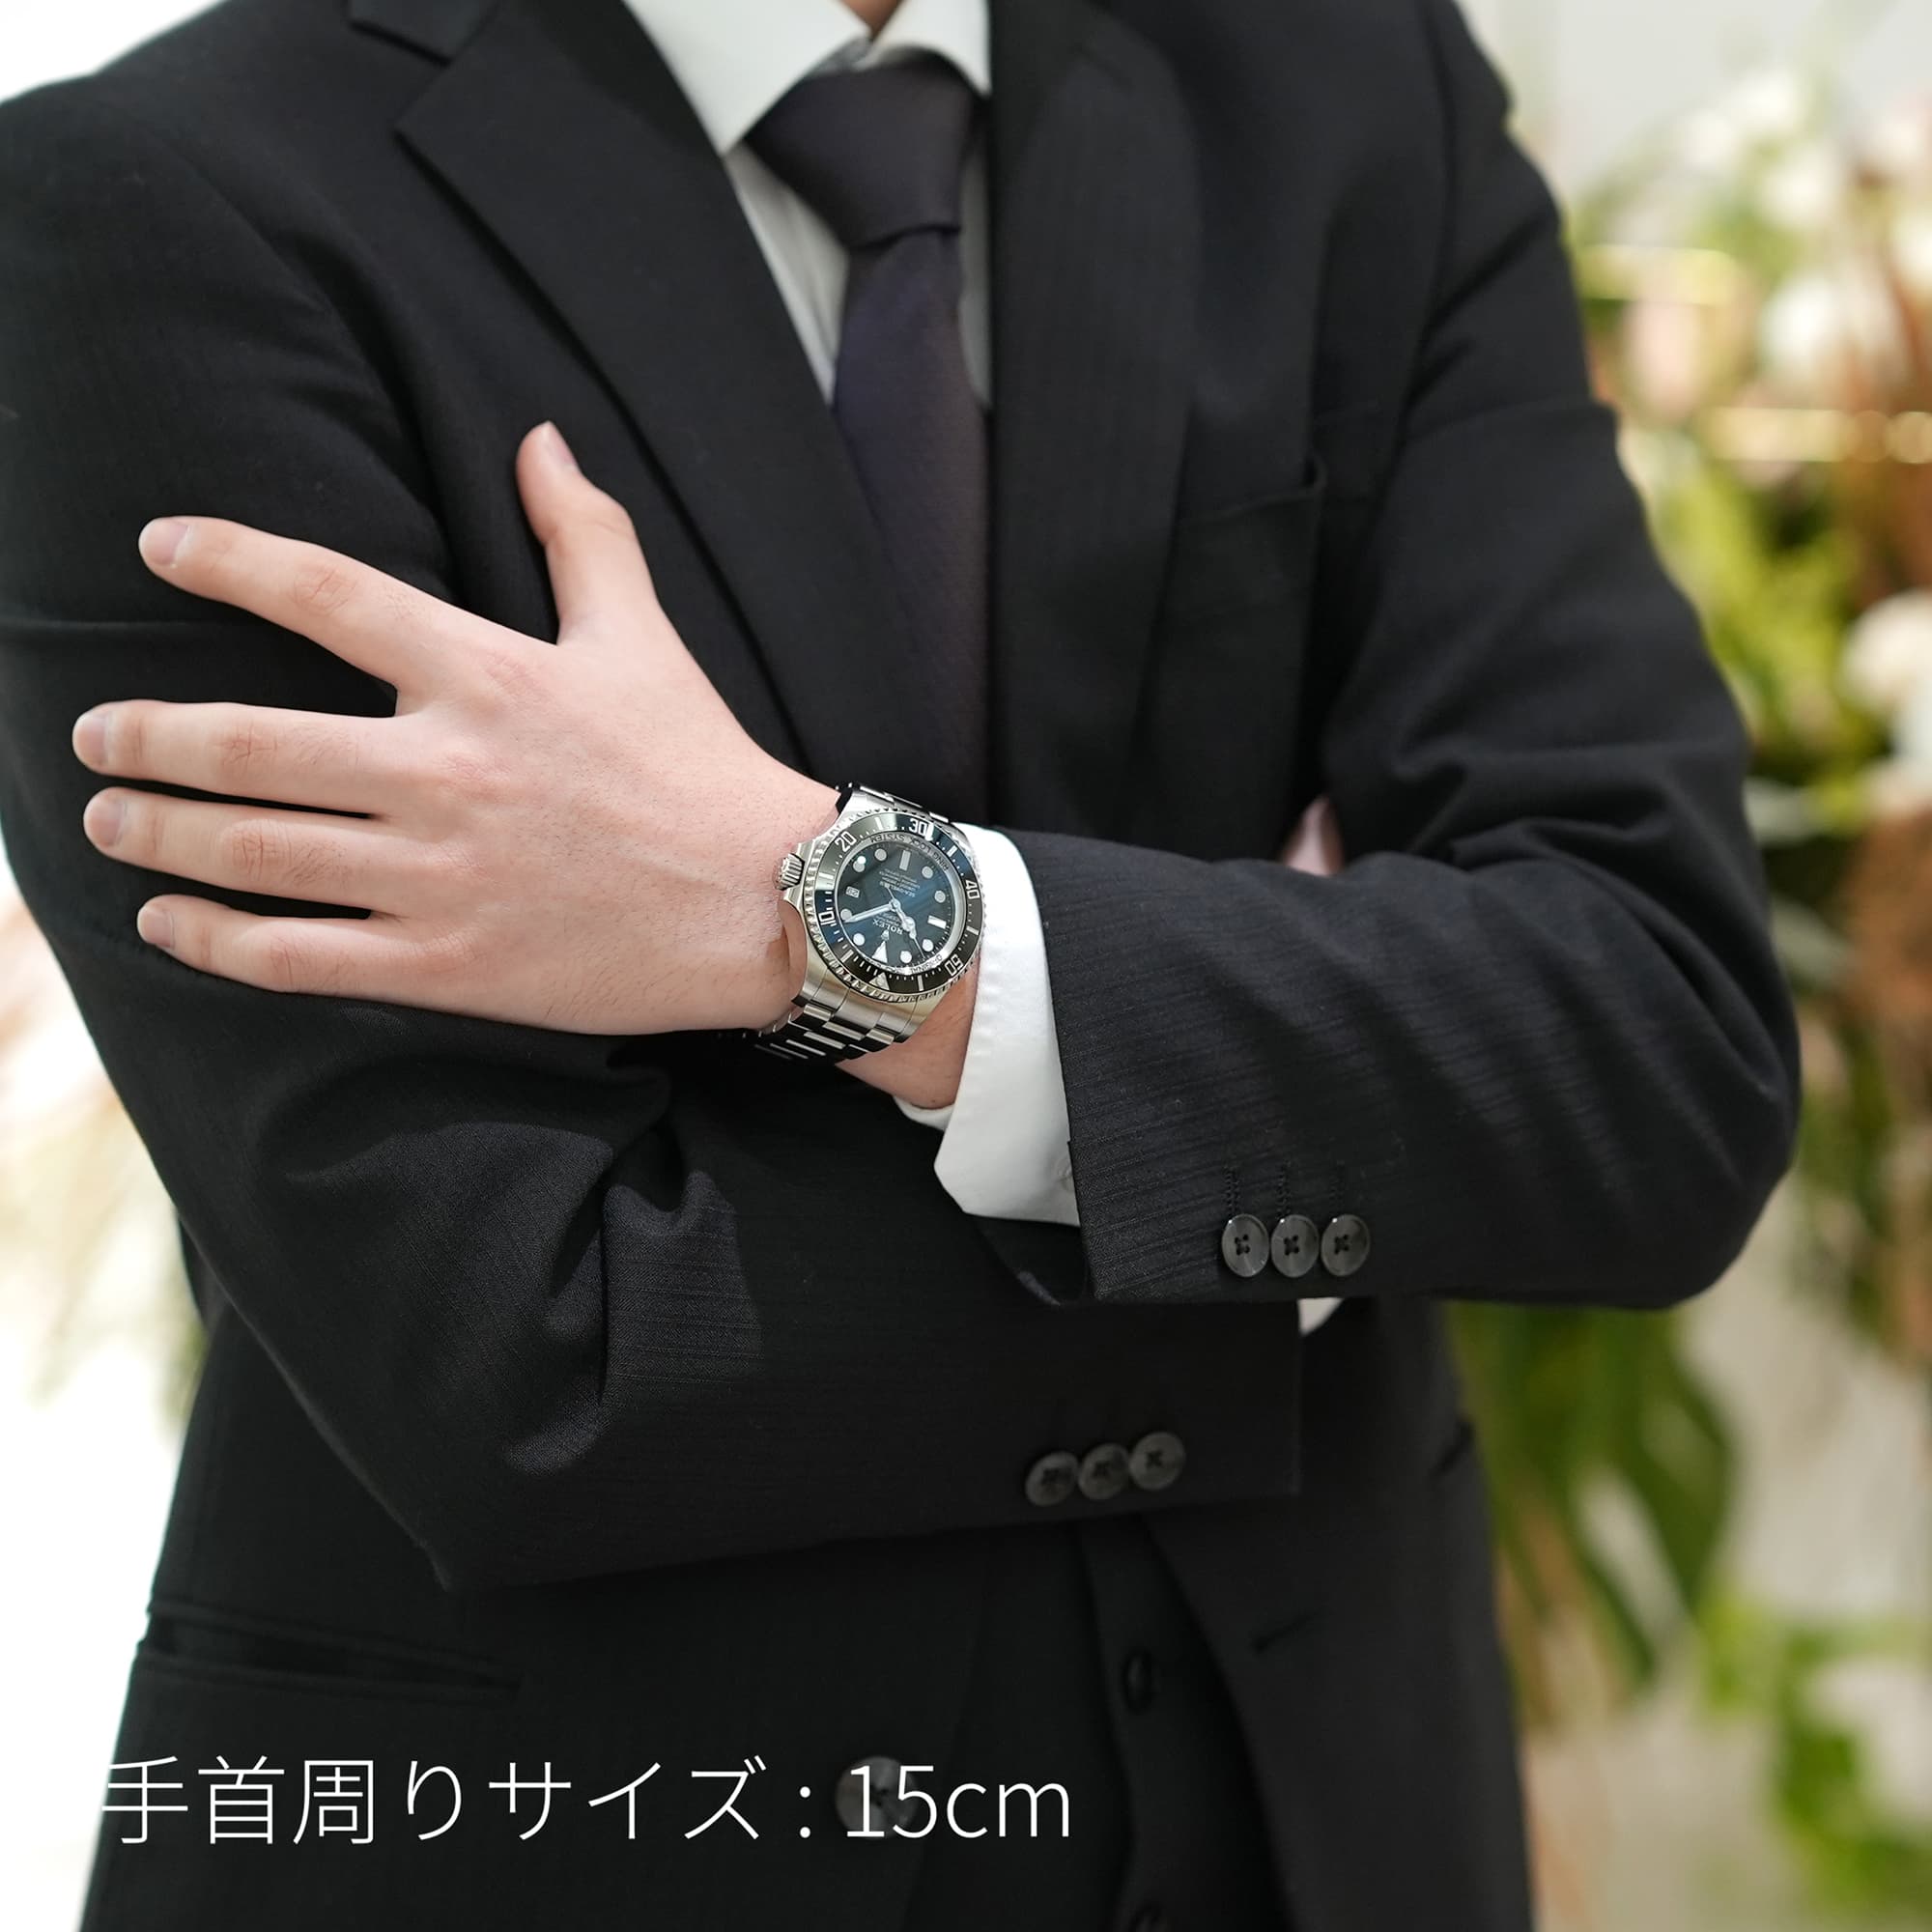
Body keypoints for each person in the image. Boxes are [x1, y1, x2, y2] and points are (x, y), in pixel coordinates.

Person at [0, 0, 1802, 1925]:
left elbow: (1657, 1047)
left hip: (1326, 1825)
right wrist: (1278, 1192)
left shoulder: (1345, 81)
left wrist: (804, 906)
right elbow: (519, 1353)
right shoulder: (167, 200)